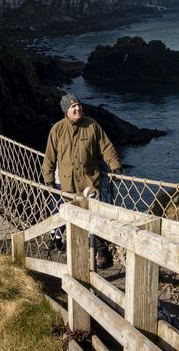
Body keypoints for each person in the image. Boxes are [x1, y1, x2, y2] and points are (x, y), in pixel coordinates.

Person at [41, 93, 122, 269]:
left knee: (95, 217)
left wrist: (115, 166)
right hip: (67, 185)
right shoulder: (57, 129)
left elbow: (106, 147)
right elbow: (49, 157)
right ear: (66, 110)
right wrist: (48, 181)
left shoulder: (93, 126)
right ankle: (74, 252)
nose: (77, 108)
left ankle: (101, 253)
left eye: (78, 105)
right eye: (73, 107)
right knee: (71, 218)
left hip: (89, 183)